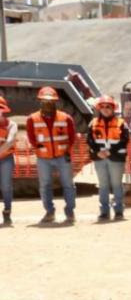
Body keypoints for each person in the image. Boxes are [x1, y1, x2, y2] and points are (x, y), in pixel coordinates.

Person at [26, 86, 77, 225]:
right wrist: (40, 150)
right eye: (45, 101)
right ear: (40, 101)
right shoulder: (32, 119)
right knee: (45, 186)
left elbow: (72, 137)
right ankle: (49, 212)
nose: (48, 103)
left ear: (55, 102)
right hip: (43, 158)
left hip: (62, 156)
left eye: (50, 101)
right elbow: (31, 138)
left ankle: (70, 212)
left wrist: (66, 151)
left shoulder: (66, 118)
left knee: (68, 185)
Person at [86, 94, 129, 221]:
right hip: (99, 158)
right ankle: (104, 212)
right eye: (103, 106)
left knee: (117, 185)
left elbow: (124, 140)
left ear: (113, 108)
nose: (105, 109)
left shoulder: (121, 123)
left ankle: (119, 211)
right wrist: (98, 151)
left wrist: (110, 151)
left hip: (116, 158)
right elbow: (89, 140)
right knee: (103, 185)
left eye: (108, 106)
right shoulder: (93, 123)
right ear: (99, 108)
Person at [0, 95, 16, 226]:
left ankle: (7, 212)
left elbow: (10, 141)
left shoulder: (11, 125)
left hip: (6, 159)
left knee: (6, 186)